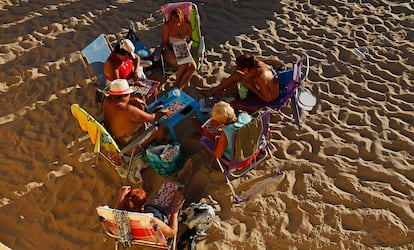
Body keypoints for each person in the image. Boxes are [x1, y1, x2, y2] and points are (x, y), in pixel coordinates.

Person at [114, 158, 193, 238]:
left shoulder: (126, 217)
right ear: (143, 206)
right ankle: (183, 178)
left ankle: (177, 179)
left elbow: (115, 213)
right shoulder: (150, 220)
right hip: (163, 215)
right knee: (172, 190)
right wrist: (174, 211)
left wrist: (122, 196)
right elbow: (172, 232)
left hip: (142, 228)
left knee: (161, 191)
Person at [103, 79, 166, 148]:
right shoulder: (127, 109)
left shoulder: (107, 100)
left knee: (137, 103)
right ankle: (158, 146)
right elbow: (153, 118)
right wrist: (164, 111)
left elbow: (119, 103)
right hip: (128, 145)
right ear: (125, 95)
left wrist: (135, 99)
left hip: (113, 138)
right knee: (160, 126)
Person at [203, 54, 280, 108]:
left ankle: (223, 93)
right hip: (263, 89)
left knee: (233, 104)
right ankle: (213, 91)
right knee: (237, 75)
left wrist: (251, 87)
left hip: (266, 99)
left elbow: (267, 99)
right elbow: (244, 78)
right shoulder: (257, 63)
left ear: (246, 69)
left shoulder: (260, 78)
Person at [162, 8, 197, 90]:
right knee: (186, 65)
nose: (176, 23)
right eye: (174, 21)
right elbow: (164, 43)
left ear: (182, 17)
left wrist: (189, 44)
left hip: (183, 50)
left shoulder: (187, 25)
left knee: (193, 67)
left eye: (178, 21)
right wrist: (170, 52)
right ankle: (176, 86)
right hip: (170, 51)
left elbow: (192, 39)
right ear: (171, 19)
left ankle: (179, 88)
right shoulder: (167, 27)